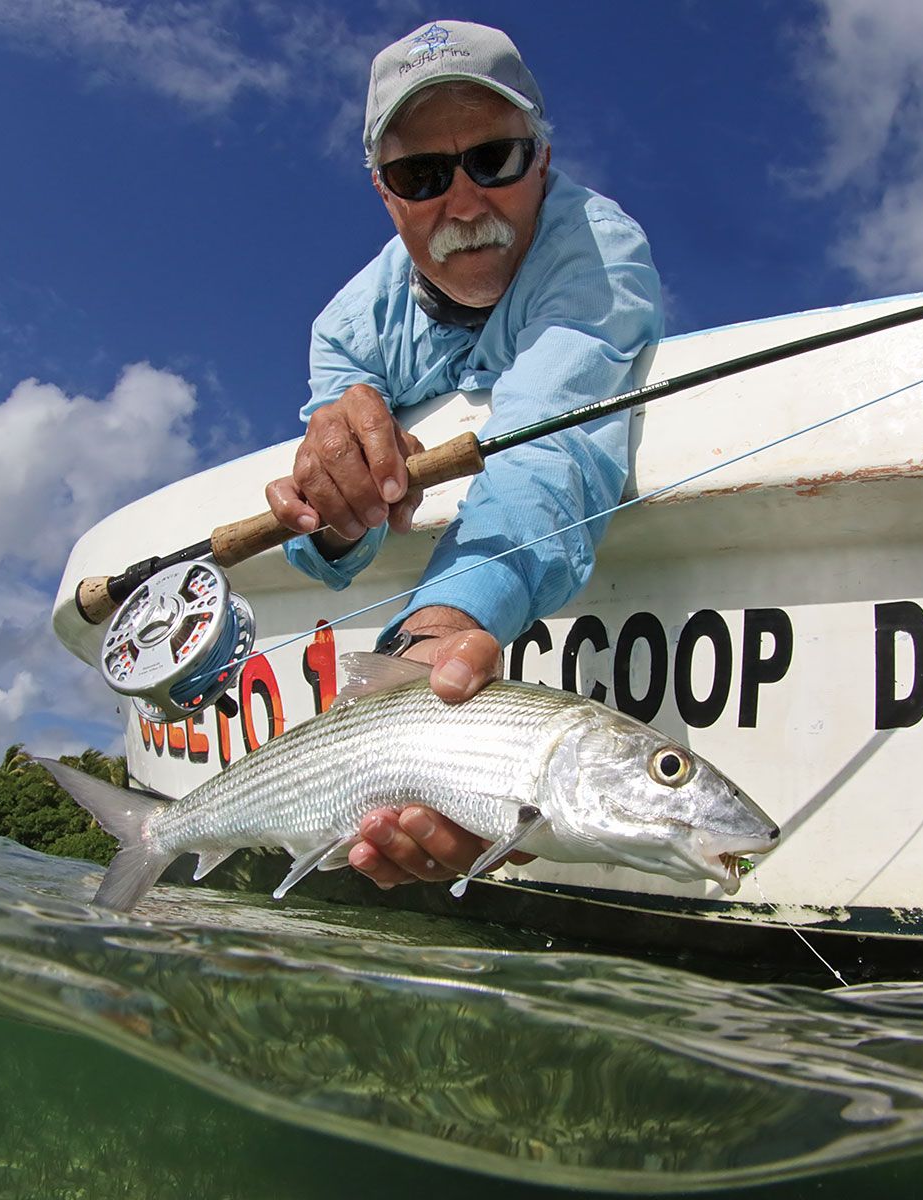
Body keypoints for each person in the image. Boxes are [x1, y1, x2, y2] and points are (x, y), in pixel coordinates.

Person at [265, 20, 663, 889]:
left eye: (495, 160)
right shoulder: (344, 328)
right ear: (385, 194)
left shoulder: (598, 254)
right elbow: (329, 551)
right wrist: (332, 515)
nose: (465, 204)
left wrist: (439, 633)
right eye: (422, 175)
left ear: (543, 162)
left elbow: (550, 438)